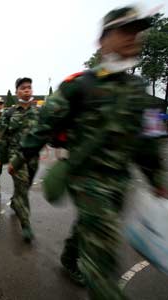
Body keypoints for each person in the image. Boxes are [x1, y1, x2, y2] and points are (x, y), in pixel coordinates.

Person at [18, 6, 167, 298]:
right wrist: (19, 158)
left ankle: (71, 254)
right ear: (103, 40)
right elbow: (43, 125)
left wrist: (157, 180)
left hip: (119, 182)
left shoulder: (137, 90)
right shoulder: (80, 86)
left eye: (136, 32)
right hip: (86, 181)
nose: (131, 38)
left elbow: (148, 141)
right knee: (103, 258)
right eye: (124, 31)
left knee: (89, 225)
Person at [0, 77, 39, 242]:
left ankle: (15, 201)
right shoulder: (10, 113)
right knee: (22, 188)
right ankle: (26, 225)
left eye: (29, 87)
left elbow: (46, 132)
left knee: (24, 189)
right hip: (15, 157)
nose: (27, 90)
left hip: (33, 158)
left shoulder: (37, 112)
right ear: (17, 91)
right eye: (23, 88)